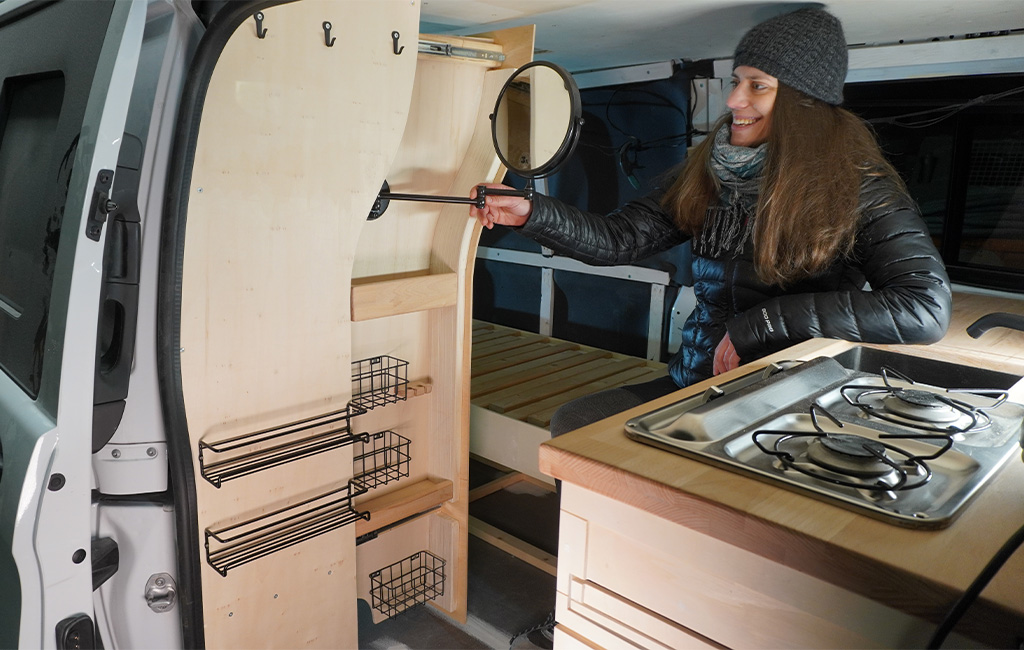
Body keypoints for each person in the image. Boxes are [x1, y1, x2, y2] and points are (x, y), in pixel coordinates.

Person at [470, 7, 952, 438]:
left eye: (757, 86)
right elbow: (619, 240)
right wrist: (532, 211)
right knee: (576, 425)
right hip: (700, 382)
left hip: (790, 403)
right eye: (737, 81)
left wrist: (756, 326)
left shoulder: (859, 187)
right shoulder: (711, 170)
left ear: (804, 105)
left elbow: (924, 308)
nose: (733, 100)